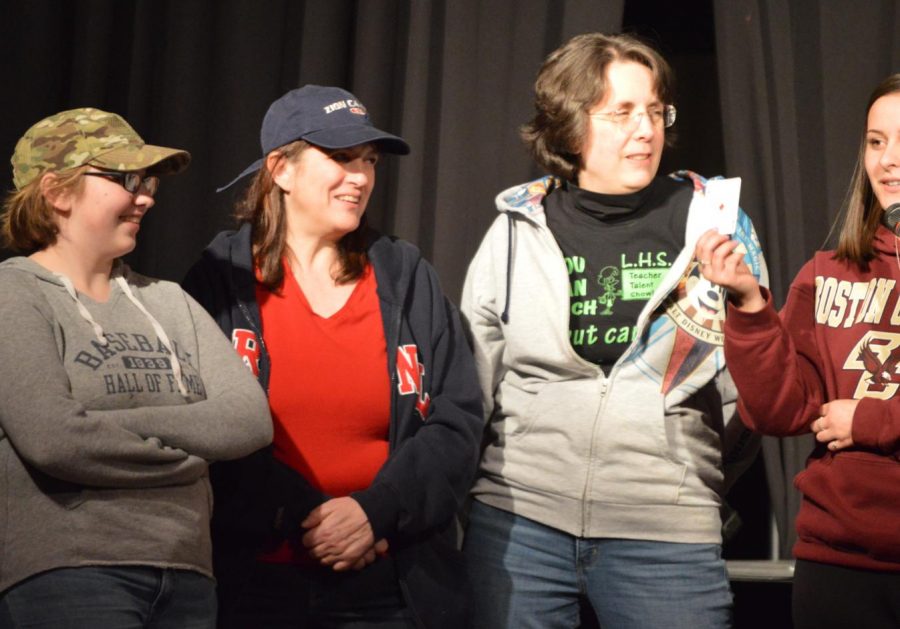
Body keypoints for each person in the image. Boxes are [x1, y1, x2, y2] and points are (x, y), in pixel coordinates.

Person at [461, 33, 768, 628]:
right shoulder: (518, 227)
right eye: (622, 113)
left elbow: (751, 387)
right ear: (569, 125)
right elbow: (474, 383)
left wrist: (677, 472)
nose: (646, 130)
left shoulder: (716, 223)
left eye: (655, 111)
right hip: (519, 523)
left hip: (665, 528)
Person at [182, 85, 483, 628]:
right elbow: (200, 428)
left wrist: (375, 513)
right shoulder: (220, 279)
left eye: (367, 161)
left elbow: (457, 420)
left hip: (392, 583)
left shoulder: (403, 273)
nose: (361, 176)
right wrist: (310, 518)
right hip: (255, 586)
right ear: (281, 169)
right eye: (340, 158)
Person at [0, 108, 272, 628]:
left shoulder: (169, 300)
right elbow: (54, 439)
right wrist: (195, 451)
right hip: (69, 573)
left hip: (188, 574)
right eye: (126, 179)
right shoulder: (14, 294)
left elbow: (248, 420)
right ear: (57, 191)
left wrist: (106, 424)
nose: (145, 195)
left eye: (146, 181)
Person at [695, 73, 900, 628]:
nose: (888, 162)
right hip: (839, 560)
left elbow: (866, 418)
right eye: (876, 142)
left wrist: (874, 419)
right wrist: (748, 306)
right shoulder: (826, 273)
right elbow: (779, 409)